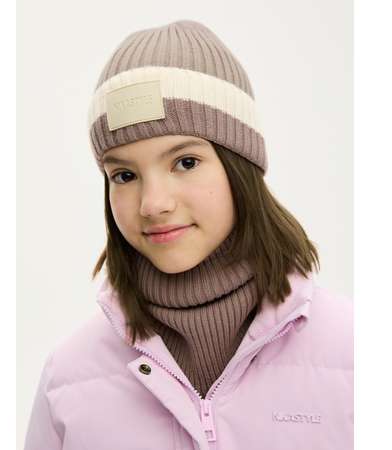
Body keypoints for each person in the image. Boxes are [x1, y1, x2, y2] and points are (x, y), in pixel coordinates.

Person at [24, 19, 353, 450]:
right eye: (124, 175)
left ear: (239, 166)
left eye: (185, 162)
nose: (153, 203)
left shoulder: (356, 353)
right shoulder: (68, 378)